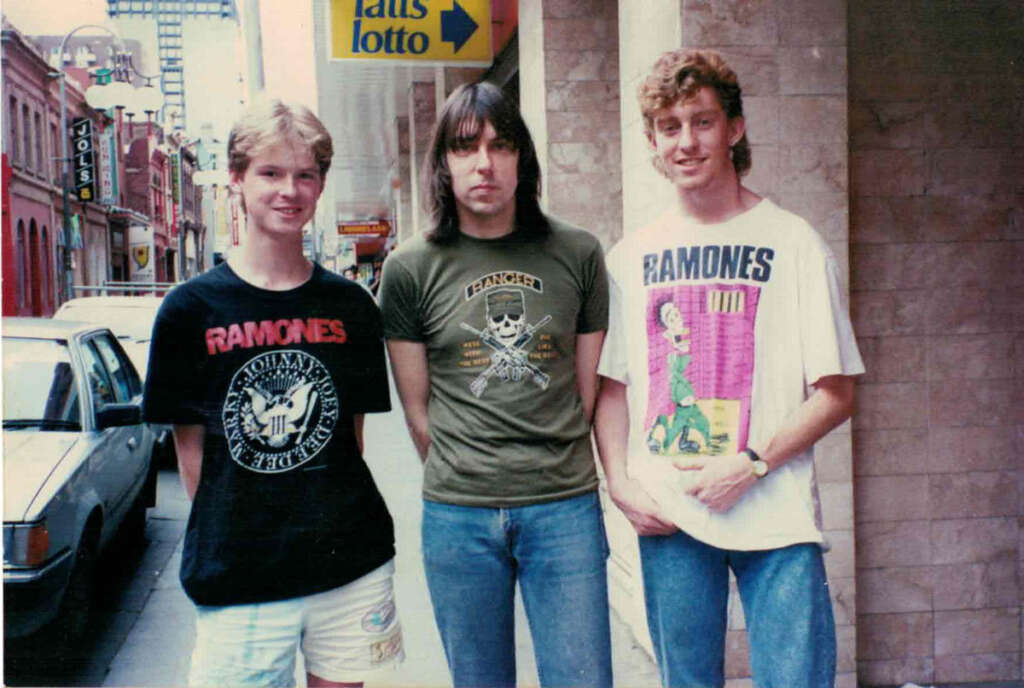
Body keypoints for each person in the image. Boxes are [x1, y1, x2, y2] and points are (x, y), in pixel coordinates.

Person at [594, 49, 865, 688]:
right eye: (669, 127)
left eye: (702, 122)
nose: (686, 142)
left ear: (735, 129)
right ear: (653, 143)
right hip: (674, 514)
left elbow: (836, 392)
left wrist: (753, 463)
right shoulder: (632, 256)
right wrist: (622, 484)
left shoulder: (793, 241)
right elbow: (614, 386)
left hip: (775, 512)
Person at [143, 99, 403, 687]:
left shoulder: (351, 308)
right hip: (240, 575)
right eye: (271, 172)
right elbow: (193, 464)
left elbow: (349, 442)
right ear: (235, 179)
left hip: (349, 565)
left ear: (320, 184)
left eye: (305, 174)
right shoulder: (188, 311)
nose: (290, 190)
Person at [379, 81, 612, 688]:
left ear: (522, 159)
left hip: (564, 507)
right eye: (465, 148)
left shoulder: (579, 253)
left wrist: (548, 458)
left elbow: (586, 392)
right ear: (444, 164)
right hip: (458, 517)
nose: (484, 163)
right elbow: (417, 411)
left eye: (500, 145)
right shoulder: (409, 268)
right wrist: (473, 469)